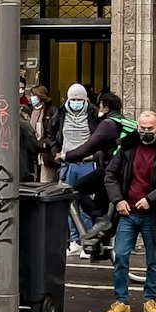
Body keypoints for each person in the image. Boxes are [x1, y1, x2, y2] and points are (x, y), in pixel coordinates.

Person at [102, 109, 156, 312]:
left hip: (152, 214)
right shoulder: (127, 148)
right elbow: (110, 175)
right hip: (127, 212)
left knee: (153, 259)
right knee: (120, 256)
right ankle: (121, 301)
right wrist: (118, 200)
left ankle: (150, 299)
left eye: (150, 129)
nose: (146, 132)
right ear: (137, 128)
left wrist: (151, 199)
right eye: (142, 128)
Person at [56, 90, 124, 251]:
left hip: (109, 172)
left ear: (105, 108)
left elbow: (89, 146)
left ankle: (101, 224)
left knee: (77, 188)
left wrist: (66, 156)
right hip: (118, 171)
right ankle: (101, 246)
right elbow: (111, 149)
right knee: (99, 208)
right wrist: (91, 158)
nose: (98, 109)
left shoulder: (108, 124)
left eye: (100, 106)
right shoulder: (121, 122)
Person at [55, 83, 104, 248]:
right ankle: (75, 240)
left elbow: (99, 138)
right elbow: (52, 133)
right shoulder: (60, 113)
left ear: (85, 99)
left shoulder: (93, 114)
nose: (76, 102)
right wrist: (56, 152)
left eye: (79, 99)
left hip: (86, 163)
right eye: (73, 98)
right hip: (67, 163)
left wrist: (93, 156)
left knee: (85, 204)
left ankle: (87, 240)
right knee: (69, 204)